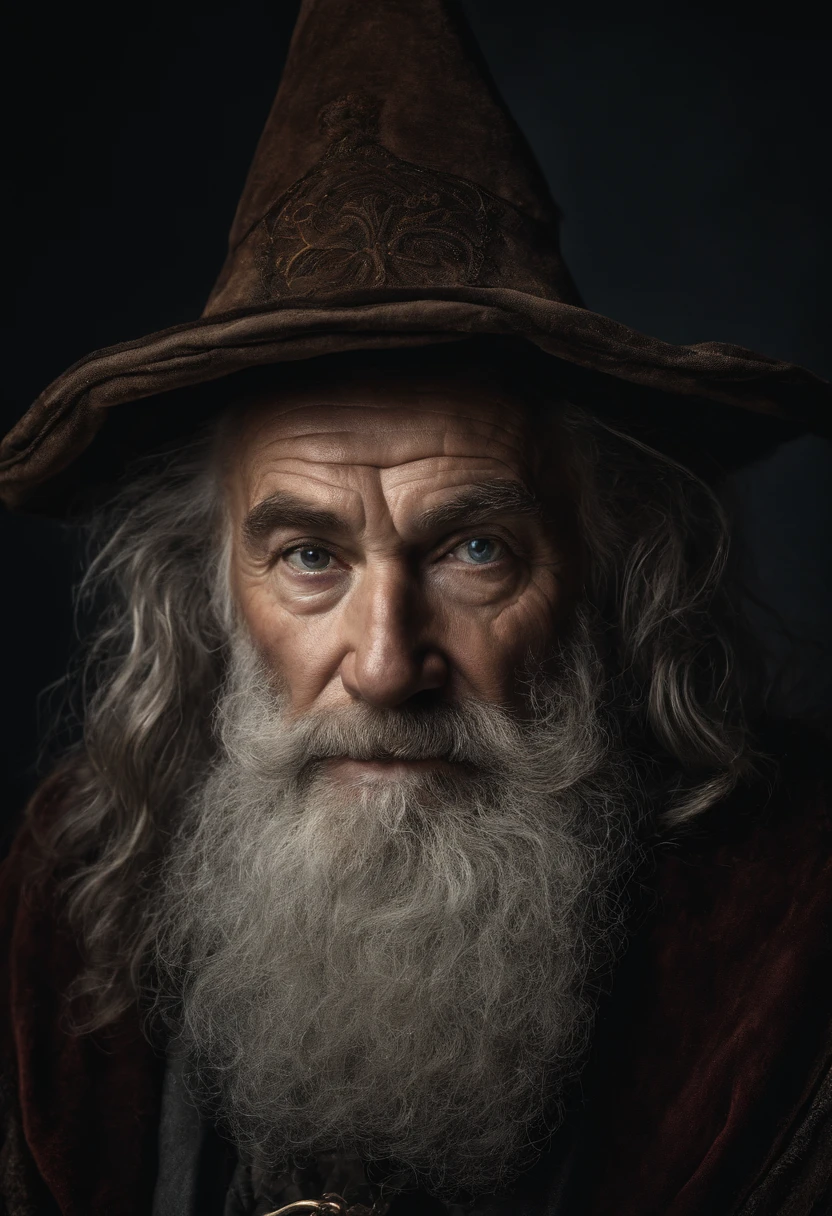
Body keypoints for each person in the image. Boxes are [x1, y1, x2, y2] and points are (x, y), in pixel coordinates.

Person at [1, 2, 829, 1214]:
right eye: (306, 556)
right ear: (206, 592)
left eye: (476, 548)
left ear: (608, 577)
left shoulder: (790, 942)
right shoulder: (55, 921)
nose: (387, 665)